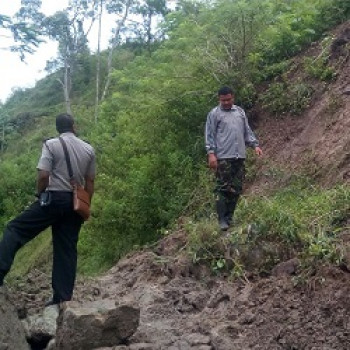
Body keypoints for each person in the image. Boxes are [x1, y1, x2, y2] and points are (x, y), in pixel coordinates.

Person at [0, 113, 96, 305]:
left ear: (57, 128)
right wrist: (85, 205)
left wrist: (40, 194)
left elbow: (44, 175)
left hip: (53, 199)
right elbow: (90, 181)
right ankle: (62, 299)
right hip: (74, 203)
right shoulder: (88, 149)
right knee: (66, 249)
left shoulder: (51, 145)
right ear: (73, 126)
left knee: (15, 229)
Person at [205, 86, 262, 231]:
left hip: (239, 156)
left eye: (228, 99)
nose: (226, 102)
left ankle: (229, 219)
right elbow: (209, 135)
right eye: (223, 100)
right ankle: (222, 220)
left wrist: (255, 145)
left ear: (233, 98)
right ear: (219, 99)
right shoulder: (214, 114)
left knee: (236, 188)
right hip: (223, 157)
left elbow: (246, 131)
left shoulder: (240, 112)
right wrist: (211, 154)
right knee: (222, 188)